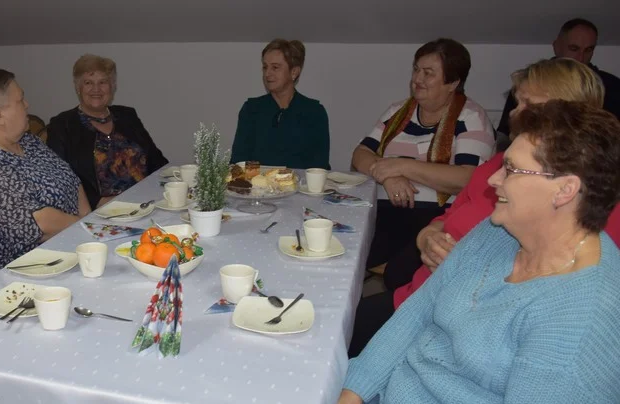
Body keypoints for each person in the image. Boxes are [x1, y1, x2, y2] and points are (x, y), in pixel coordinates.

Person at [329, 100, 620, 404]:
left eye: (511, 169)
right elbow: (419, 310)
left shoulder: (586, 317)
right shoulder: (498, 232)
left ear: (564, 190)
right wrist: (353, 390)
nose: (494, 178)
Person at [349, 58, 614, 357]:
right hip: (424, 295)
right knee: (340, 327)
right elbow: (449, 215)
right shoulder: (498, 165)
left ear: (568, 113)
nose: (514, 113)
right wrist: (429, 236)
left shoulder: (586, 198)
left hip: (458, 322)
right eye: (518, 101)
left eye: (528, 103)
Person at [351, 38, 495, 271]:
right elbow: (360, 154)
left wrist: (401, 167)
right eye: (416, 70)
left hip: (435, 218)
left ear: (453, 82)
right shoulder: (397, 111)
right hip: (383, 210)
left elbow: (468, 178)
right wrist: (388, 176)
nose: (417, 79)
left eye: (428, 73)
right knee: (341, 248)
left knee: (390, 268)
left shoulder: (471, 118)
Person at [0, 69, 91, 274]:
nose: (27, 104)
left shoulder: (27, 141)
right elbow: (39, 224)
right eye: (20, 100)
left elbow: (70, 179)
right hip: (25, 276)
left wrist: (88, 230)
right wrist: (88, 227)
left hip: (69, 250)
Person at [47, 54, 168, 210]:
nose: (96, 89)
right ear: (78, 87)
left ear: (113, 86)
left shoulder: (127, 116)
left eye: (103, 82)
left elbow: (156, 160)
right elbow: (60, 176)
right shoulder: (62, 125)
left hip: (146, 202)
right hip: (101, 210)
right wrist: (98, 202)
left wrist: (172, 185)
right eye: (88, 82)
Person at [496, 18, 620, 144]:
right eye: (574, 48)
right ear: (556, 46)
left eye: (588, 50)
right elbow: (504, 137)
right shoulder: (529, 83)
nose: (581, 57)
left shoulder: (612, 87)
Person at [231, 38, 330, 169]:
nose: (267, 73)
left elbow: (319, 165)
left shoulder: (315, 112)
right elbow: (239, 160)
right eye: (265, 67)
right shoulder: (251, 109)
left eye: (275, 67)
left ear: (294, 72)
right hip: (258, 187)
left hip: (300, 187)